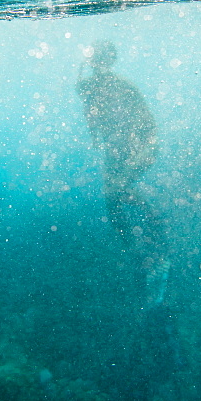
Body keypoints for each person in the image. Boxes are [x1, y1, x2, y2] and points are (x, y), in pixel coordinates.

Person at [77, 40, 169, 306]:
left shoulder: (119, 86)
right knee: (112, 201)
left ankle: (155, 239)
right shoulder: (89, 87)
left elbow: (147, 125)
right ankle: (139, 256)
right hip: (118, 150)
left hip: (138, 146)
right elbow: (88, 99)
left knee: (116, 192)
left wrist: (139, 151)